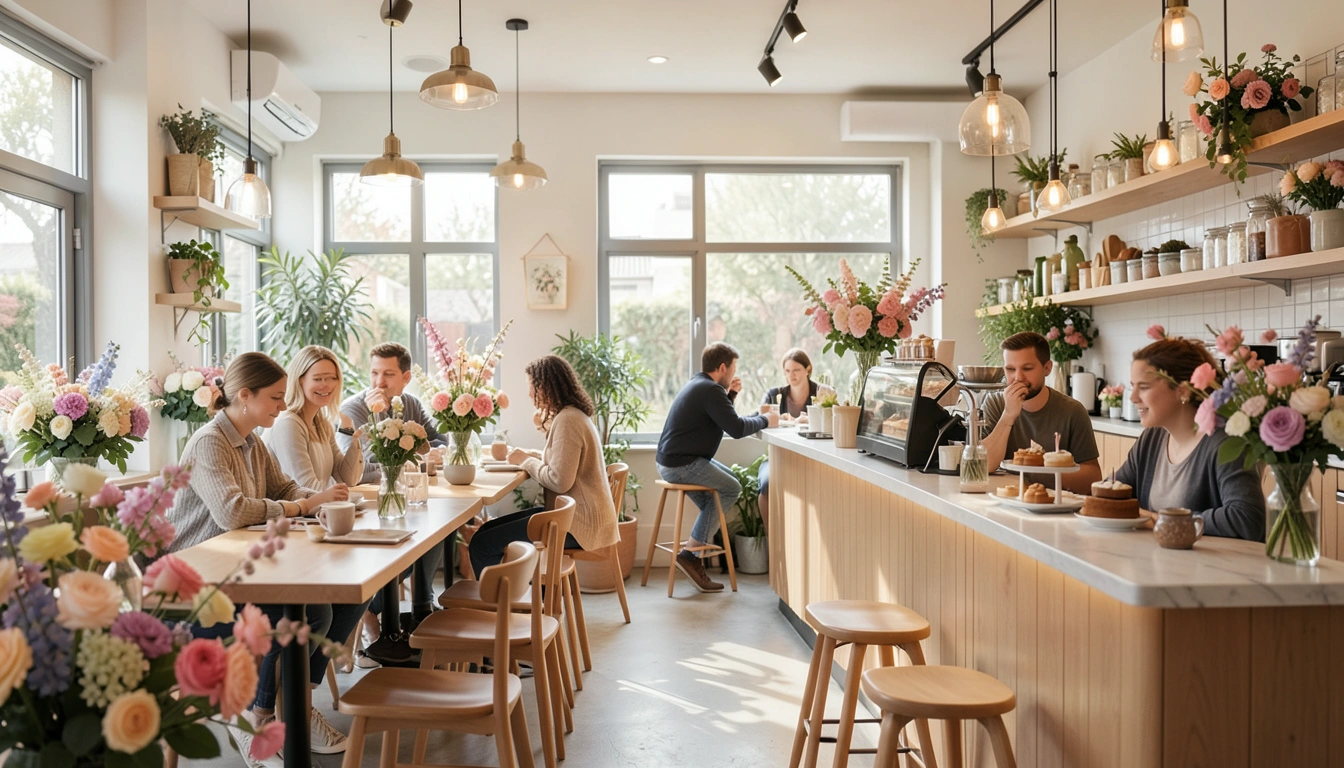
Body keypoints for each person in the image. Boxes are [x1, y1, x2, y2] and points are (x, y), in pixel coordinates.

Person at [166, 352, 362, 765]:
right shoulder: (209, 443)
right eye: (274, 397)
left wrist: (313, 503)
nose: (280, 404)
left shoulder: (253, 441)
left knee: (333, 607)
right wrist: (299, 508)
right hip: (197, 582)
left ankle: (290, 710)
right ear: (244, 396)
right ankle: (255, 717)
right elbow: (233, 511)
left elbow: (285, 487)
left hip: (239, 568)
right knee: (303, 615)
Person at [467, 355, 618, 575]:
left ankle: (502, 606)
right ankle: (520, 599)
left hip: (578, 526)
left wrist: (526, 461)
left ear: (546, 387)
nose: (529, 393)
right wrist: (532, 455)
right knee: (487, 529)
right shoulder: (573, 415)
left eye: (532, 386)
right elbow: (564, 460)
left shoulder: (568, 420)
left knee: (482, 543)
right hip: (575, 517)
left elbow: (559, 480)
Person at [337, 342, 447, 631]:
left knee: (435, 525)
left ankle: (423, 606)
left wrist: (419, 450)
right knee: (408, 551)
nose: (378, 382)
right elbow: (365, 466)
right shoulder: (353, 409)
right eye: (374, 373)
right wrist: (378, 414)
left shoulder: (410, 403)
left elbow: (440, 440)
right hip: (364, 504)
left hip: (401, 494)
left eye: (388, 374)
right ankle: (373, 614)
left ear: (405, 378)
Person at [1114, 337, 1266, 540]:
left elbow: (1247, 518)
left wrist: (1167, 520)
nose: (1133, 397)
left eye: (1143, 387)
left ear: (1183, 390)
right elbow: (1114, 494)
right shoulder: (1151, 439)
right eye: (1133, 386)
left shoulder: (1224, 443)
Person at [656, 342, 778, 592]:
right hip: (682, 464)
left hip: (673, 461)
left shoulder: (700, 385)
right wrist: (767, 419)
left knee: (726, 486)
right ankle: (690, 556)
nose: (734, 375)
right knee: (732, 488)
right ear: (722, 367)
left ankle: (693, 551)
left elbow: (721, 419)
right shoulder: (710, 390)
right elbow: (736, 428)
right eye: (733, 370)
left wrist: (730, 396)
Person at [981, 331, 1102, 493]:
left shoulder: (1073, 411)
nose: (1018, 377)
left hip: (1053, 506)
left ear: (1047, 368)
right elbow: (984, 465)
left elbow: (1092, 477)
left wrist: (1038, 475)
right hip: (1003, 502)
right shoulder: (994, 403)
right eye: (1010, 369)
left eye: (1027, 368)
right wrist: (1008, 416)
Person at [267, 345, 364, 491]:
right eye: (318, 379)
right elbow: (306, 489)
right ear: (300, 381)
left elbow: (347, 479)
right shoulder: (288, 424)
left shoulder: (322, 424)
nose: (326, 385)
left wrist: (354, 439)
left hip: (316, 512)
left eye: (332, 378)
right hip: (292, 513)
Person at [757, 349, 820, 532]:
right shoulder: (774, 395)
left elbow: (831, 422)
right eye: (787, 371)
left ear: (808, 369)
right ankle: (772, 538)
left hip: (813, 459)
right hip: (778, 457)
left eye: (796, 370)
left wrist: (812, 420)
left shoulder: (821, 393)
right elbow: (760, 419)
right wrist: (784, 420)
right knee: (767, 483)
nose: (791, 376)